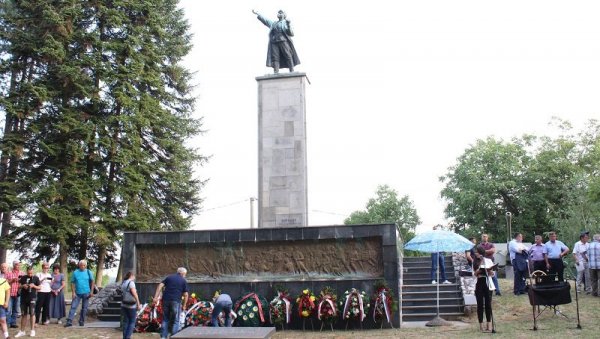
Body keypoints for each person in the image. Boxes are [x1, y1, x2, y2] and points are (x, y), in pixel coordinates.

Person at [252, 9, 300, 74]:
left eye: (281, 12)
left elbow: (291, 33)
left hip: (283, 41)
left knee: (288, 55)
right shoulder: (274, 23)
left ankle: (291, 70)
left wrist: (289, 25)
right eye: (278, 12)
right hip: (274, 42)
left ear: (284, 15)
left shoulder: (286, 23)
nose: (279, 13)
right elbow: (266, 20)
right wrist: (258, 13)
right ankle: (276, 72)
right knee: (275, 57)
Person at [153, 267, 189, 339]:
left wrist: (156, 297)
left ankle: (163, 337)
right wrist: (184, 305)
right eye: (185, 274)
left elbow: (160, 285)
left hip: (165, 300)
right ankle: (174, 337)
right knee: (176, 320)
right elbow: (186, 294)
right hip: (176, 301)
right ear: (182, 273)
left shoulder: (169, 277)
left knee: (165, 319)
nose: (185, 276)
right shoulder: (183, 280)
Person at [64, 260, 95, 327]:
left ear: (85, 266)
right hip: (77, 293)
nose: (82, 266)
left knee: (84, 308)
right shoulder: (75, 272)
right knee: (73, 307)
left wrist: (91, 292)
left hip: (86, 292)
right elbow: (72, 282)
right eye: (81, 265)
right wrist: (73, 292)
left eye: (84, 265)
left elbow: (92, 282)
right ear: (79, 265)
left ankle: (81, 321)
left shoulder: (89, 272)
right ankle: (69, 321)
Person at [473, 245, 495, 332]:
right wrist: (478, 271)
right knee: (480, 305)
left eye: (477, 252)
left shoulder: (488, 261)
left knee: (488, 305)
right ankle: (481, 325)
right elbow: (473, 274)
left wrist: (490, 272)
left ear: (481, 252)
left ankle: (489, 325)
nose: (476, 253)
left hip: (487, 282)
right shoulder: (475, 262)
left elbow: (492, 273)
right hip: (479, 283)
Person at [15, 266, 40, 338]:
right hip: (23, 298)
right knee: (23, 314)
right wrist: (23, 286)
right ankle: (22, 331)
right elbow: (18, 286)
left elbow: (40, 287)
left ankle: (32, 330)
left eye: (31, 273)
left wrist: (34, 286)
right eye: (29, 273)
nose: (30, 274)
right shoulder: (23, 277)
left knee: (32, 313)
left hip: (32, 298)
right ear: (26, 272)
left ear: (33, 271)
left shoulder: (36, 278)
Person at [120, 272, 141, 339]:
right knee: (132, 321)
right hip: (131, 305)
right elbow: (134, 294)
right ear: (131, 276)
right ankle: (128, 337)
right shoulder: (131, 283)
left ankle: (125, 337)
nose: (134, 277)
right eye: (134, 276)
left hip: (124, 304)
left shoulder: (123, 283)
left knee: (126, 321)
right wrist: (138, 303)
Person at [5, 261, 23, 329]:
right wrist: (12, 281)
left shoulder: (22, 273)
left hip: (18, 293)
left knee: (16, 309)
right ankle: (8, 323)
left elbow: (24, 282)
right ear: (14, 265)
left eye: (19, 265)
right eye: (17, 265)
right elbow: (5, 283)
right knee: (8, 309)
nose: (18, 266)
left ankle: (13, 323)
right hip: (9, 293)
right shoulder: (9, 273)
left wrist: (21, 283)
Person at [0, 267, 10, 339]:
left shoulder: (3, 281)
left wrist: (6, 301)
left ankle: (6, 336)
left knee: (3, 320)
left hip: (1, 304)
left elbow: (8, 291)